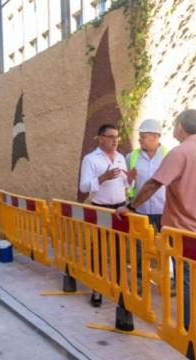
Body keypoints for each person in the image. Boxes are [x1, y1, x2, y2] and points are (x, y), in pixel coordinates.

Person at [117, 109, 196, 335]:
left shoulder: (179, 153)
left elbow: (153, 184)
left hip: (187, 227)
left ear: (180, 127)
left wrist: (130, 206)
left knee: (185, 278)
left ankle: (186, 325)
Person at [79, 124, 130, 307]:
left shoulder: (121, 158)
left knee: (118, 250)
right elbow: (84, 187)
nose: (115, 140)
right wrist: (103, 177)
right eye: (110, 136)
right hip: (100, 208)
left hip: (120, 210)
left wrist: (130, 179)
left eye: (116, 137)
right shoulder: (91, 159)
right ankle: (97, 289)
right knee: (98, 250)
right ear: (100, 138)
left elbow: (125, 185)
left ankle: (117, 287)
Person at [126, 119, 167, 292]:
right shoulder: (131, 157)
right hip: (140, 211)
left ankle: (168, 282)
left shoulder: (168, 156)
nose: (140, 140)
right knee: (138, 249)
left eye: (143, 136)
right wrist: (129, 179)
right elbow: (127, 185)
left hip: (164, 210)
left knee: (166, 249)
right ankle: (139, 281)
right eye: (140, 136)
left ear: (156, 136)